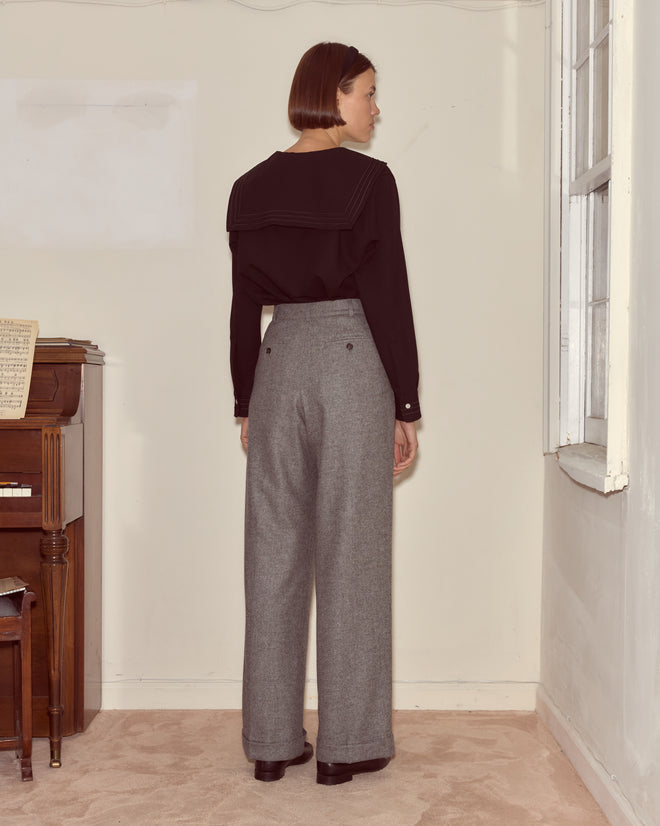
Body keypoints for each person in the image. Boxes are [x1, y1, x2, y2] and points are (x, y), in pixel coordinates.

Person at [226, 41, 421, 786]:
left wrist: (246, 397)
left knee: (272, 555)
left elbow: (246, 306)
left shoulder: (250, 187)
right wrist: (405, 401)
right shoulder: (369, 181)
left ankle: (272, 742)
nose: (376, 107)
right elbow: (388, 294)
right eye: (368, 92)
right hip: (350, 359)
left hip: (278, 365)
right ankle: (348, 745)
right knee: (353, 552)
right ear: (333, 96)